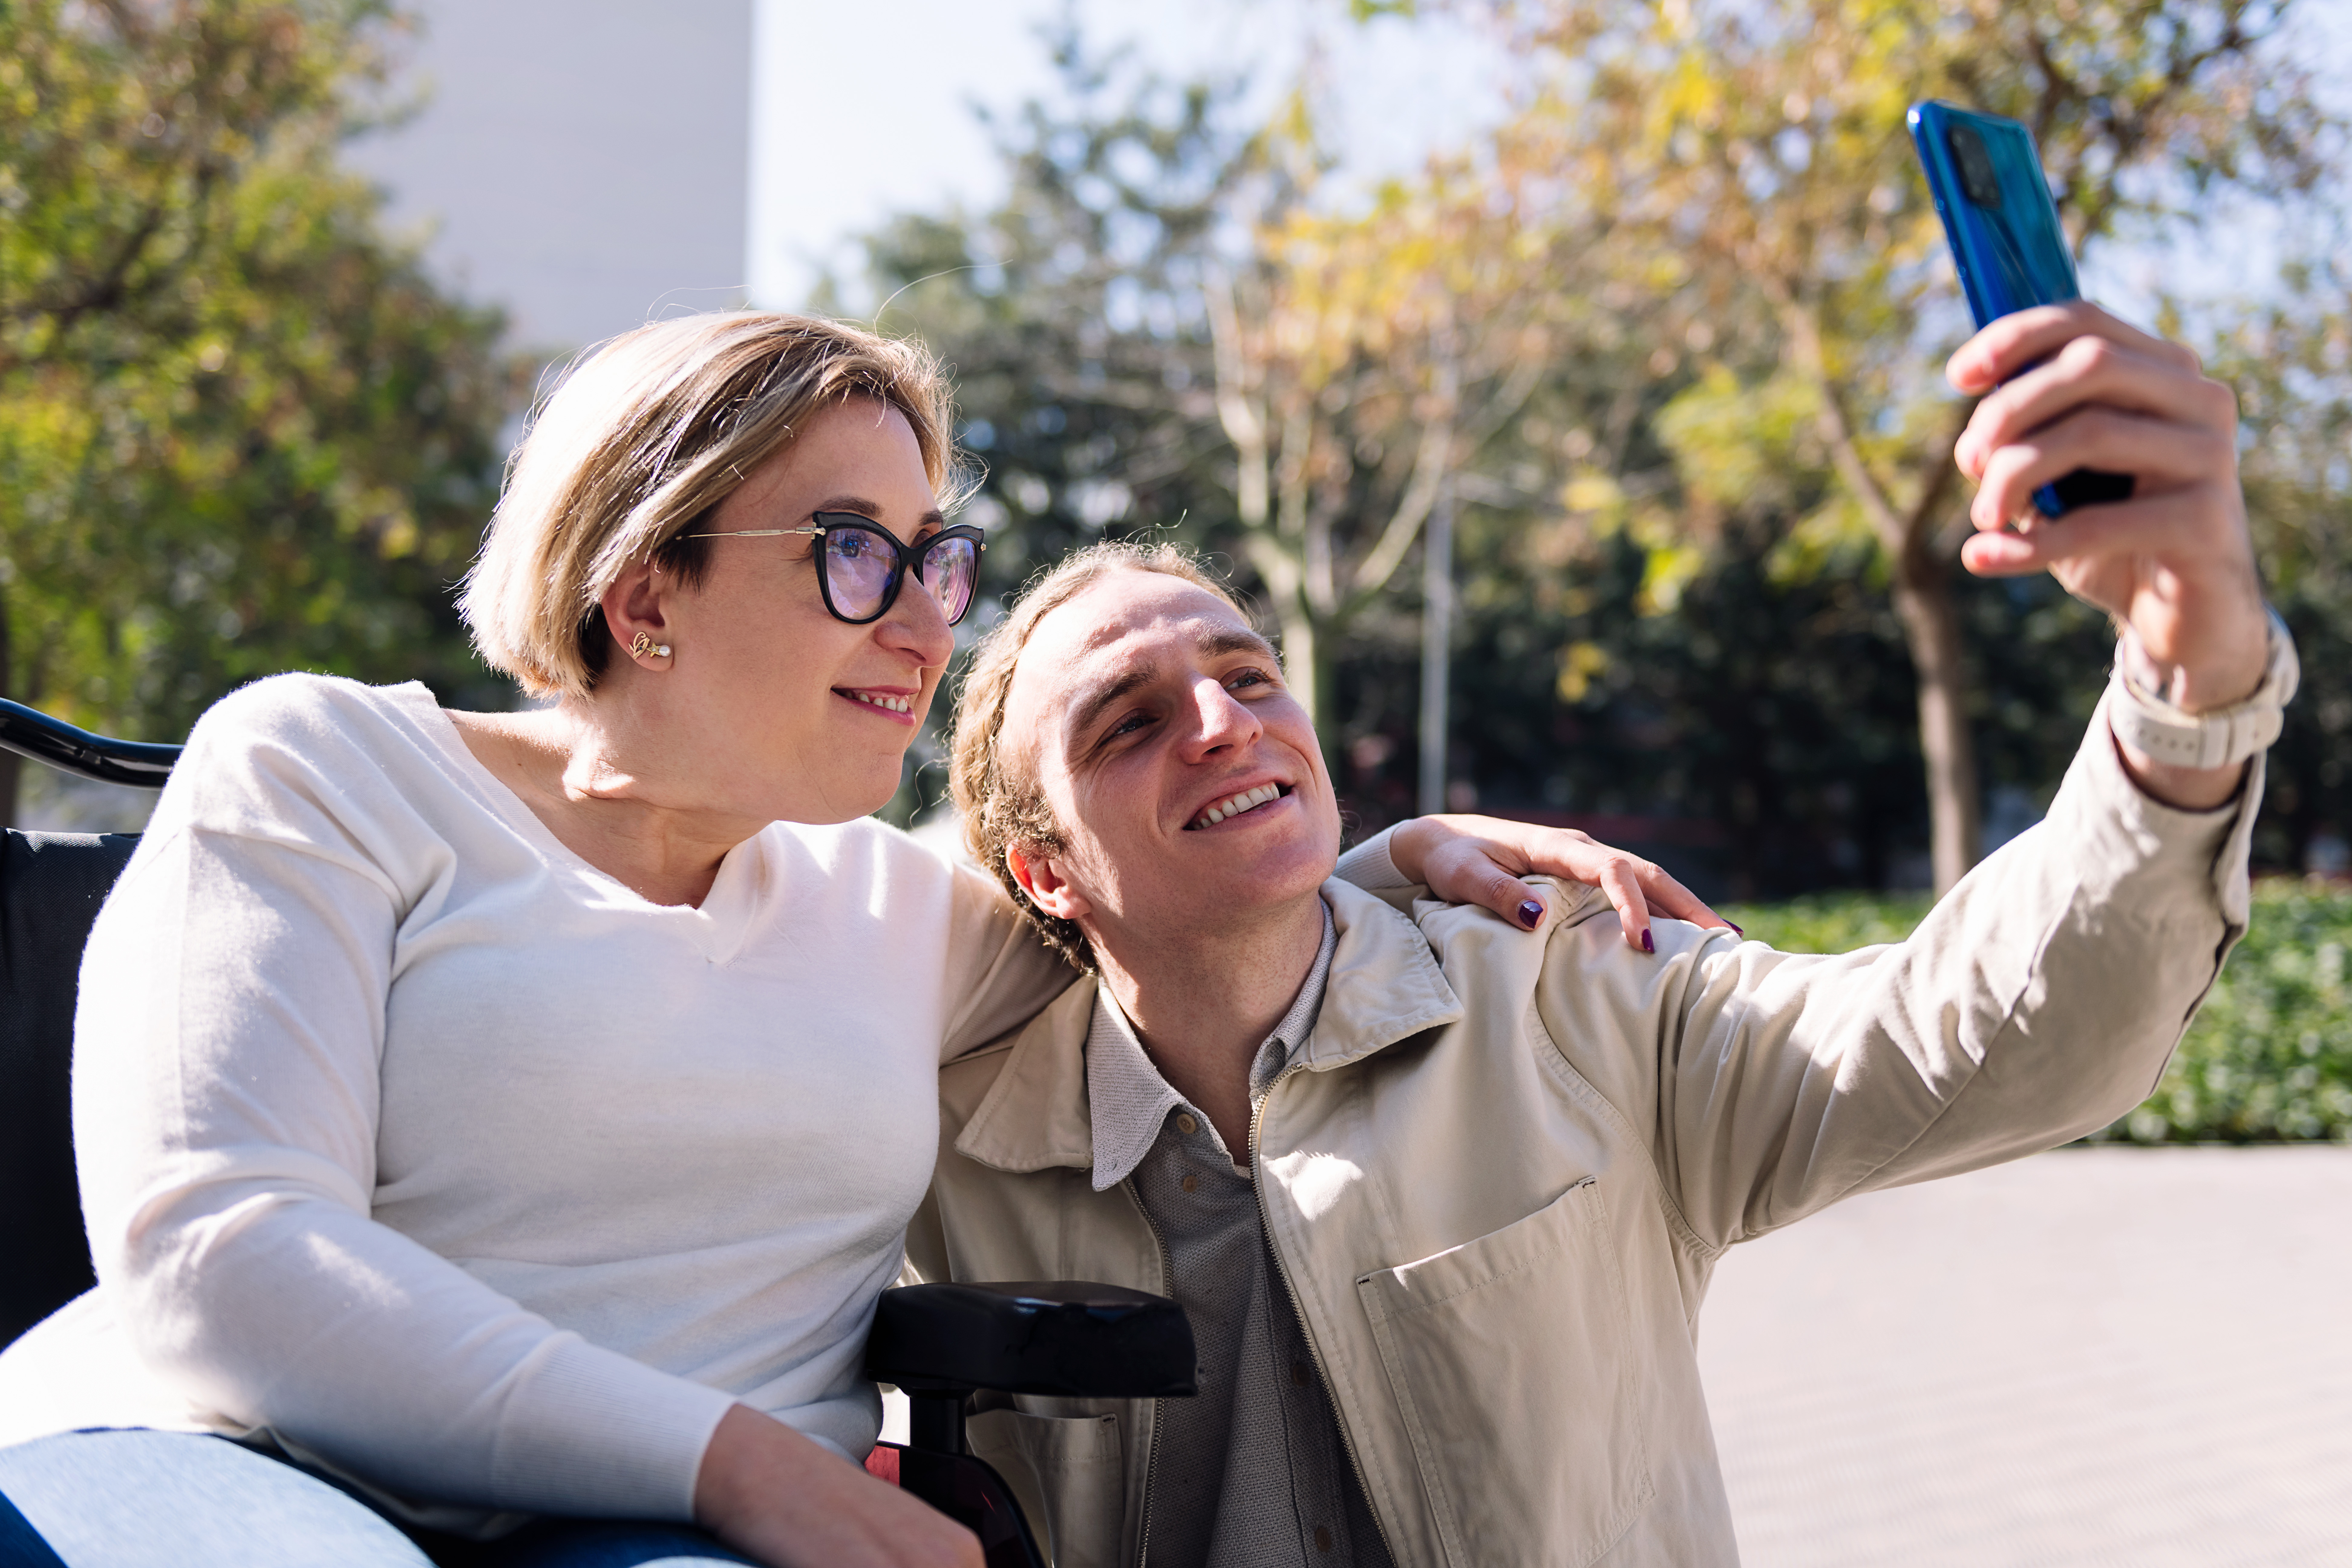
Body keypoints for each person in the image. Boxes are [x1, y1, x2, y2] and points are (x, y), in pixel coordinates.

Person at [0, 312, 1708, 1568]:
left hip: (640, 1537)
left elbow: (1130, 870)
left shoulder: (905, 912)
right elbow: (221, 1251)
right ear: (642, 590)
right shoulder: (324, 767)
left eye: (931, 558)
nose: (920, 621)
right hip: (227, 1473)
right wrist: (732, 1461)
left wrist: (1384, 852)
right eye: (850, 554)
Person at [909, 300, 2296, 1567]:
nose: (1224, 725)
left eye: (1248, 674)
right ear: (1041, 874)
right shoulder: (934, 1140)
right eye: (1130, 721)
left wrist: (2192, 681)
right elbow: (788, 890)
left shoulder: (1571, 989)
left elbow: (1984, 1039)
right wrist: (1385, 863)